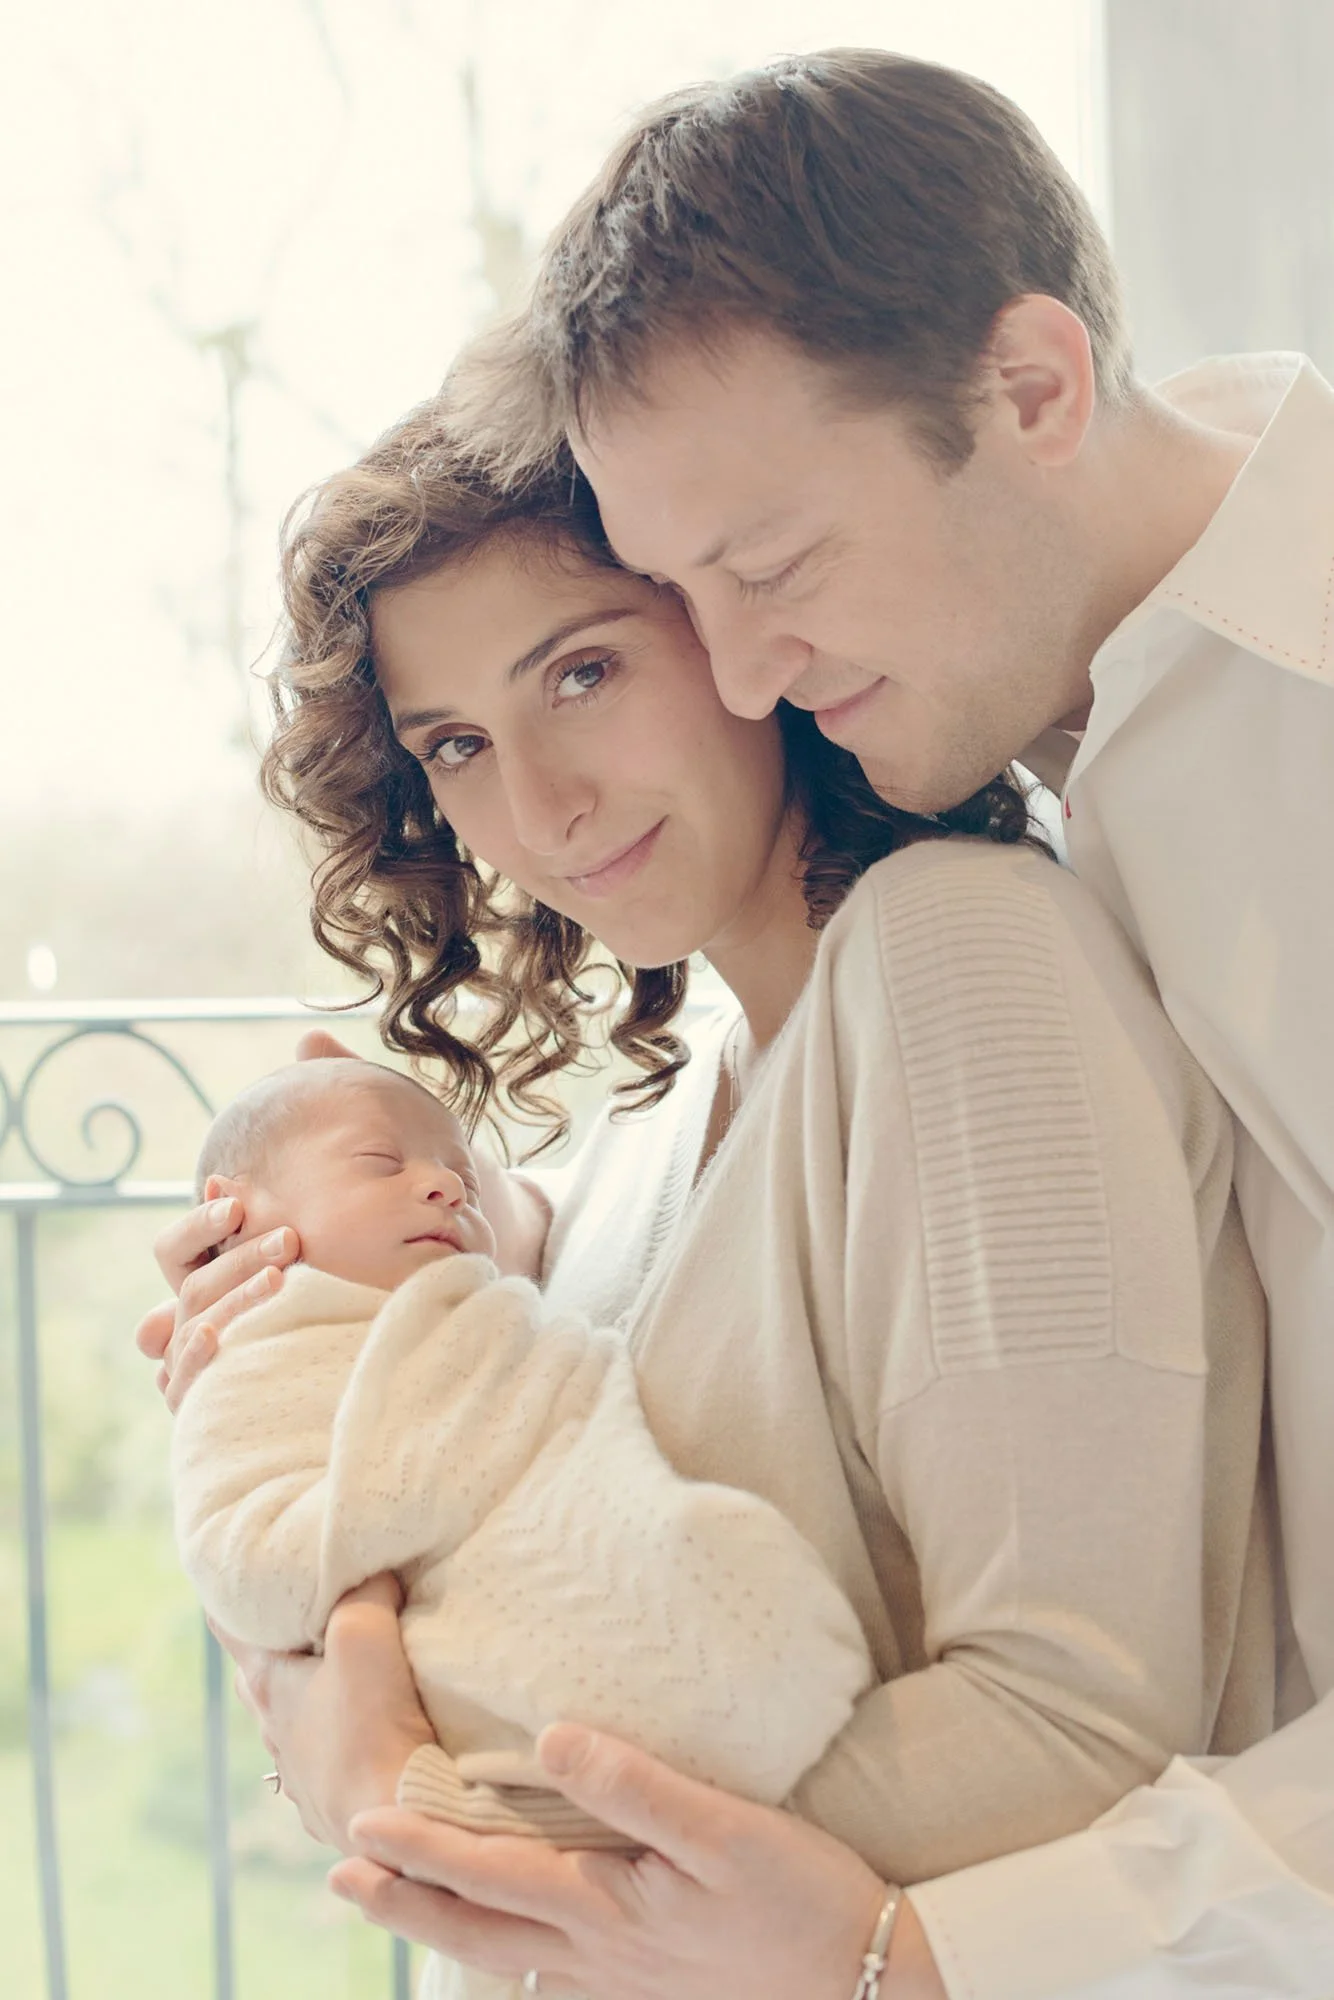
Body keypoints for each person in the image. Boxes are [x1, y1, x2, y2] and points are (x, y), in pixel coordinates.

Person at [137, 405, 1274, 2000]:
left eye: (583, 673)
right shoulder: (659, 1108)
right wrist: (305, 1300)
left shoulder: (959, 963)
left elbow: (1067, 1721)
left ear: (739, 630)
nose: (541, 806)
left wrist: (424, 1802)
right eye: (455, 742)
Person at [436, 46, 1334, 1999]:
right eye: (680, 595)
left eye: (769, 569)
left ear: (1033, 389)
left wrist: (901, 1952)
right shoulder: (1048, 744)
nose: (742, 675)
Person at [173, 1053, 872, 1854]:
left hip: (585, 1528)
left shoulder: (485, 1311)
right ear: (232, 1214)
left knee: (726, 1575)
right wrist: (368, 1529)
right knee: (511, 1676)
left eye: (464, 1180)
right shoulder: (262, 1356)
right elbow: (238, 1544)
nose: (442, 1186)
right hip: (448, 1618)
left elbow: (563, 1415)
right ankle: (510, 1813)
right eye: (382, 1163)